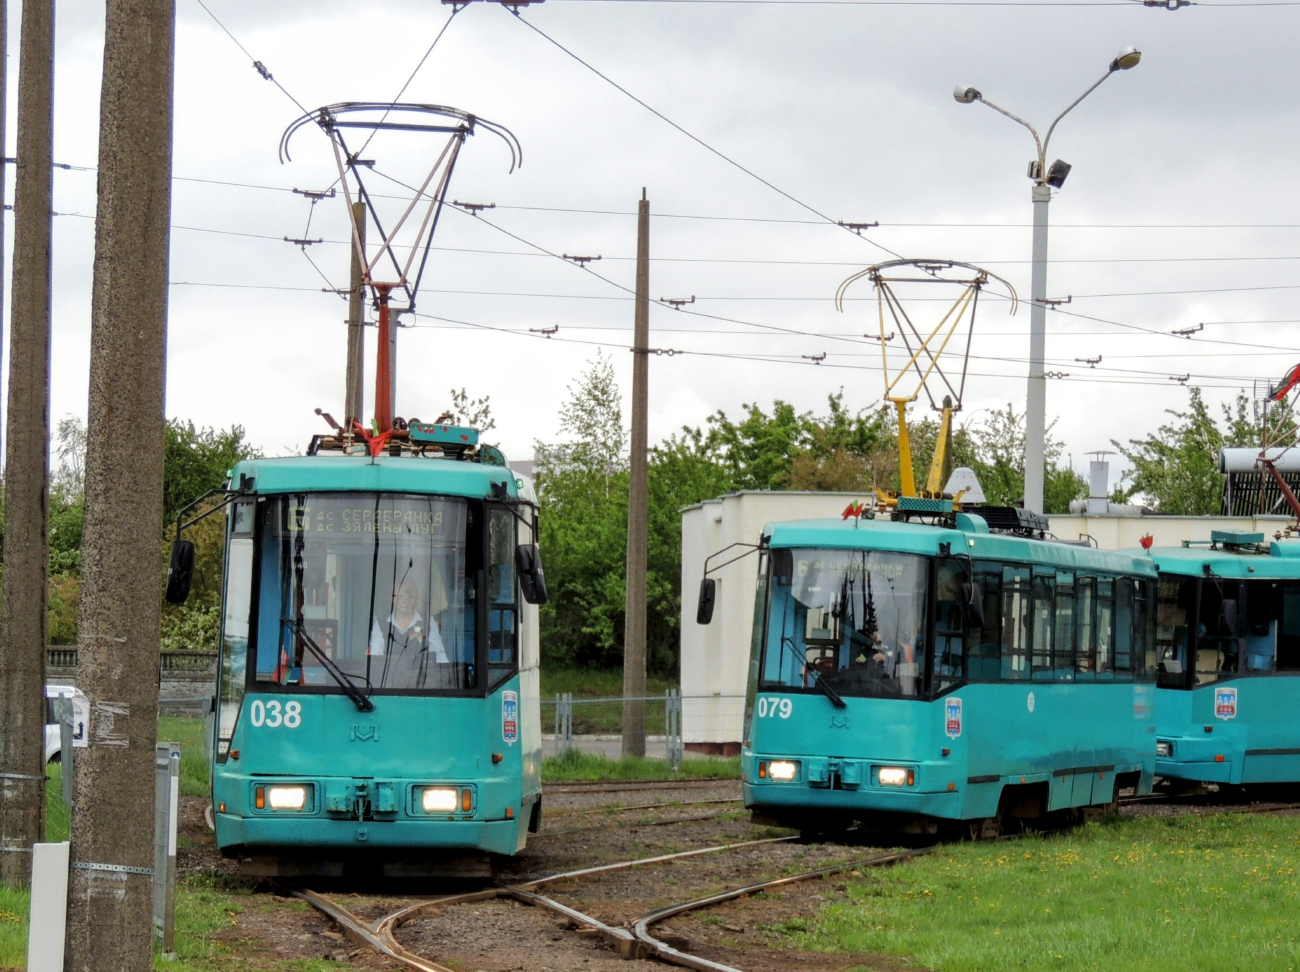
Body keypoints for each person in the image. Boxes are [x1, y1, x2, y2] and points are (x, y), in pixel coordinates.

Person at [369, 573, 449, 687]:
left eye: (410, 596)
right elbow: (375, 657)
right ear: (392, 599)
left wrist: (443, 682)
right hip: (388, 685)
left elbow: (439, 655)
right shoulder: (381, 624)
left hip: (422, 684)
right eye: (400, 596)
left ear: (415, 599)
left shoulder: (427, 622)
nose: (405, 600)